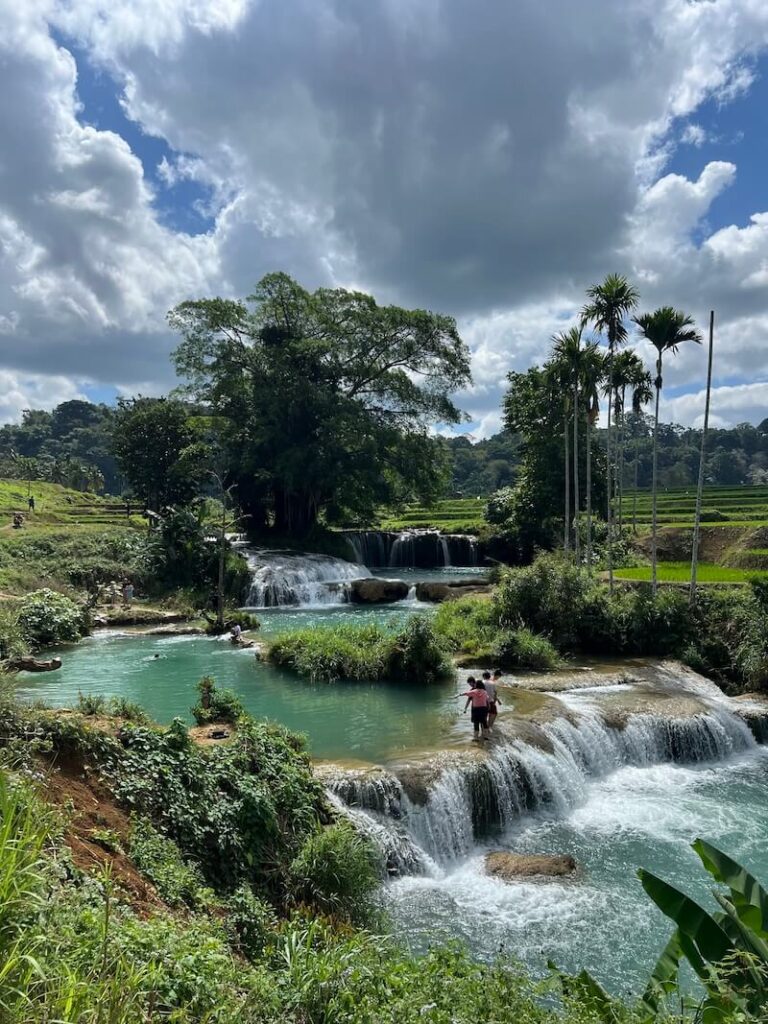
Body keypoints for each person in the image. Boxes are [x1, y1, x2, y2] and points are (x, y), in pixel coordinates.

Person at [462, 676, 489, 741]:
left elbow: (468, 699)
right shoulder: (484, 690)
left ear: (473, 682)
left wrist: (465, 708)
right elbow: (487, 699)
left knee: (476, 723)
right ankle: (485, 736)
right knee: (484, 722)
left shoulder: (473, 691)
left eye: (470, 683)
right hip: (484, 708)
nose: (470, 685)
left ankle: (477, 737)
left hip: (476, 708)